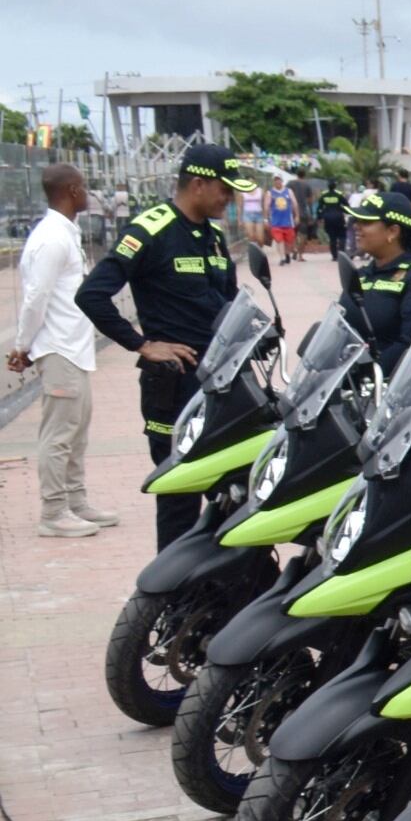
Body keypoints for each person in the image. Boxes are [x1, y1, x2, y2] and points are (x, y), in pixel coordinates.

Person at [76, 142, 257, 547]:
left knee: (236, 496)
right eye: (225, 190)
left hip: (220, 386)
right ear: (197, 184)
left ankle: (216, 597)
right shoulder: (150, 229)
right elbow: (91, 295)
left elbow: (225, 302)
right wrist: (142, 345)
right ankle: (167, 604)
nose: (229, 199)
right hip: (174, 388)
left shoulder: (211, 235)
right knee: (179, 500)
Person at [10, 164, 111, 537]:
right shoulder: (52, 237)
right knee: (59, 434)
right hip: (59, 349)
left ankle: (75, 501)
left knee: (76, 430)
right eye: (83, 187)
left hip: (74, 348)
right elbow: (36, 296)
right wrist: (23, 344)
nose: (87, 193)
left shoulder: (64, 233)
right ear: (70, 190)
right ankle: (54, 512)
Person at [344, 190, 411, 365]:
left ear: (392, 231)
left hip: (385, 384)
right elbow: (339, 328)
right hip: (350, 383)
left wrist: (367, 371)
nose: (357, 226)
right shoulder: (362, 274)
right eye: (357, 220)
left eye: (366, 222)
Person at [264, 177, 299, 260]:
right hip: (276, 221)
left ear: (282, 181)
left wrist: (297, 216)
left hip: (288, 220)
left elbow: (295, 203)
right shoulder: (270, 193)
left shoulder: (289, 191)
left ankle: (287, 254)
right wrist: (265, 219)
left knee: (289, 240)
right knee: (279, 240)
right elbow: (266, 206)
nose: (278, 182)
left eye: (279, 180)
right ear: (274, 182)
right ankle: (282, 258)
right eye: (276, 180)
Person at [316, 180, 349, 254]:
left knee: (332, 237)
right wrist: (343, 211)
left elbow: (319, 208)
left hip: (328, 219)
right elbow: (347, 205)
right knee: (342, 236)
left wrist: (320, 217)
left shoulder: (324, 195)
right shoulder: (339, 194)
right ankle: (342, 253)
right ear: (335, 186)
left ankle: (334, 255)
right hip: (339, 218)